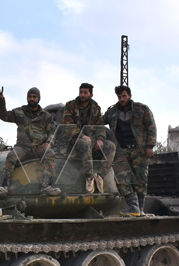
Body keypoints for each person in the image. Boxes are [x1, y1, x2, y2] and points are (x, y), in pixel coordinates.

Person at [0, 86, 61, 196]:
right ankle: (4, 186)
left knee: (50, 154)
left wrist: (49, 143)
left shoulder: (45, 116)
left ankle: (46, 186)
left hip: (38, 148)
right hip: (23, 148)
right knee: (12, 155)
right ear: (27, 98)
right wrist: (0, 101)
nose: (32, 99)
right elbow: (4, 116)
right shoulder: (19, 112)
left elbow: (52, 132)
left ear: (38, 99)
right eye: (30, 96)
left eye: (34, 97)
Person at [103, 85, 156, 216]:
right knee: (121, 179)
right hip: (120, 150)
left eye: (124, 96)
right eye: (119, 96)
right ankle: (133, 207)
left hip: (139, 149)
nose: (122, 99)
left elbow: (151, 127)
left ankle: (140, 209)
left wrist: (150, 146)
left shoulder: (142, 109)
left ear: (130, 96)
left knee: (140, 180)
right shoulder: (112, 112)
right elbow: (98, 122)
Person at [61, 82, 116, 194]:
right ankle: (89, 178)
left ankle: (100, 176)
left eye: (85, 92)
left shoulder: (95, 108)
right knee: (85, 144)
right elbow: (68, 126)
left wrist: (100, 139)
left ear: (91, 95)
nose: (82, 95)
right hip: (73, 141)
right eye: (81, 92)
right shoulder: (70, 106)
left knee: (110, 146)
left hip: (91, 140)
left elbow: (100, 126)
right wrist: (82, 136)